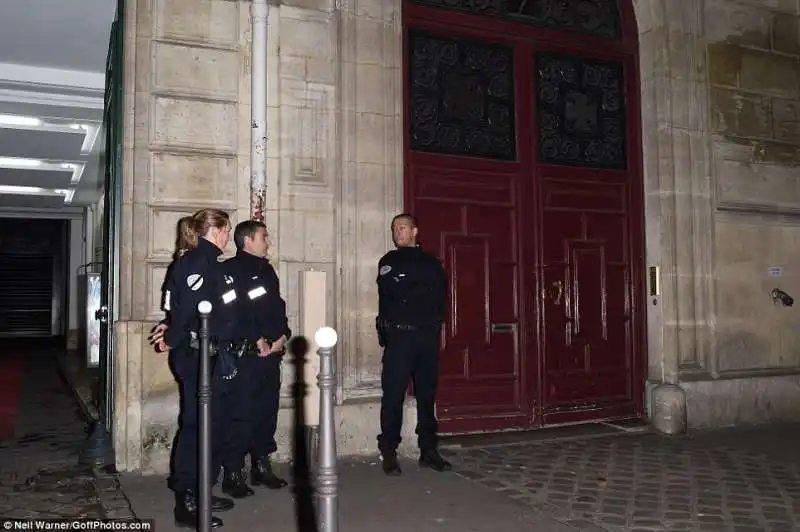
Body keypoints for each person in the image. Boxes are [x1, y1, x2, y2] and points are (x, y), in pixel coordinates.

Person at [148, 208, 241, 529]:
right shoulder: (195, 263)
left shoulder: (213, 264)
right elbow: (186, 309)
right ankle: (186, 499)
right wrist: (172, 338)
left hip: (217, 357)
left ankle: (203, 489)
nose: (229, 236)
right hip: (197, 357)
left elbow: (203, 309)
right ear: (215, 230)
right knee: (196, 427)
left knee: (214, 426)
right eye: (227, 230)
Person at [375, 213, 452, 475]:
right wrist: (416, 289)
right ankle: (388, 451)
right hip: (399, 338)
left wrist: (411, 289)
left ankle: (429, 450)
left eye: (403, 227)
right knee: (393, 396)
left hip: (425, 338)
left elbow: (439, 295)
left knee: (426, 396)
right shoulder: (388, 261)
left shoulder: (431, 262)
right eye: (395, 228)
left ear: (415, 231)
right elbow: (392, 293)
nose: (398, 232)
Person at [218, 220, 290, 498]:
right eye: (264, 237)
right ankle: (233, 473)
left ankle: (261, 466)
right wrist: (255, 338)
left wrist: (283, 335)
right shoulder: (229, 271)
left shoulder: (267, 270)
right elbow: (232, 311)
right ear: (248, 241)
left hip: (270, 356)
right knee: (240, 416)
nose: (268, 241)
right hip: (245, 357)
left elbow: (276, 307)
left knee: (266, 413)